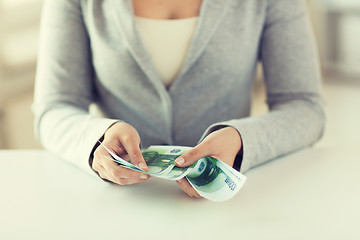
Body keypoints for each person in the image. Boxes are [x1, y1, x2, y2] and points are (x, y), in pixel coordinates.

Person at [33, 0, 325, 199]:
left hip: (230, 208)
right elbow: (55, 106)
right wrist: (96, 140)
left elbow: (304, 107)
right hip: (120, 203)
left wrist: (241, 140)